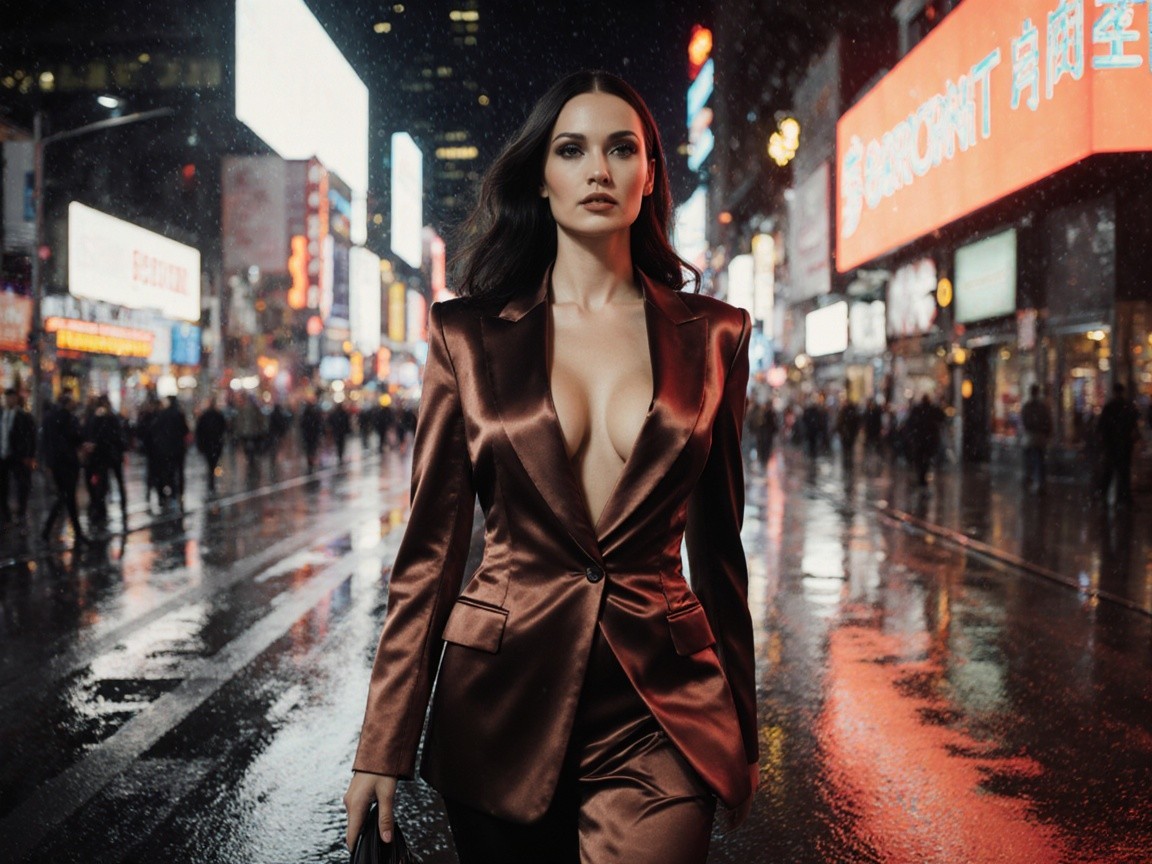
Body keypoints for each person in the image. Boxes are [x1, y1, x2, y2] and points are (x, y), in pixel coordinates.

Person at [343, 71, 758, 864]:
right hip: (497, 702)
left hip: (662, 710)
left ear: (649, 175)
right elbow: (429, 556)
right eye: (572, 150)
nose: (598, 170)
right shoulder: (465, 335)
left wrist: (739, 724)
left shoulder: (716, 335)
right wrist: (382, 741)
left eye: (621, 149)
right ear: (541, 174)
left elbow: (720, 553)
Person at [39, 391, 88, 545]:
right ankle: (48, 530)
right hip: (68, 463)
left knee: (66, 497)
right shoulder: (69, 418)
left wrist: (48, 462)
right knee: (66, 497)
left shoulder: (49, 418)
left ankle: (76, 532)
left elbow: (45, 441)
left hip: (56, 463)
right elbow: (76, 436)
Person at [1096, 381, 1141, 506]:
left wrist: (1105, 441)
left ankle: (1104, 496)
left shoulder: (1110, 407)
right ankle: (1124, 498)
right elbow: (1133, 425)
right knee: (1123, 473)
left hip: (1112, 445)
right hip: (1124, 445)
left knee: (1109, 472)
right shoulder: (1127, 407)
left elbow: (1102, 426)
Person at [0, 388, 37, 529]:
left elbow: (31, 437)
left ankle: (21, 513)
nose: (9, 400)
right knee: (3, 487)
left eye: (12, 397)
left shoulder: (24, 416)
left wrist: (29, 455)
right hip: (3, 456)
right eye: (7, 398)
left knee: (22, 485)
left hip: (18, 456)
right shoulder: (2, 414)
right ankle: (6, 515)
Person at [904, 394, 946, 486]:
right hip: (928, 439)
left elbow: (909, 424)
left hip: (920, 439)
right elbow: (942, 417)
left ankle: (921, 476)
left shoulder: (918, 410)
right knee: (925, 458)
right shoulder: (931, 409)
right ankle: (922, 476)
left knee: (920, 458)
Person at [1020, 383, 1053, 492]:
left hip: (1030, 438)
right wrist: (1046, 433)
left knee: (1030, 461)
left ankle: (1030, 481)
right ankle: (1038, 482)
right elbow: (1047, 422)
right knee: (1039, 461)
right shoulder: (1041, 407)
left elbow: (1024, 421)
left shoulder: (1028, 406)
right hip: (1039, 438)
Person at [195, 396, 228, 494]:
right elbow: (224, 428)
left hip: (208, 444)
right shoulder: (218, 415)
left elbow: (199, 431)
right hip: (215, 444)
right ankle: (211, 482)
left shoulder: (205, 416)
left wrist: (200, 444)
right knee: (213, 463)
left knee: (210, 463)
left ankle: (211, 482)